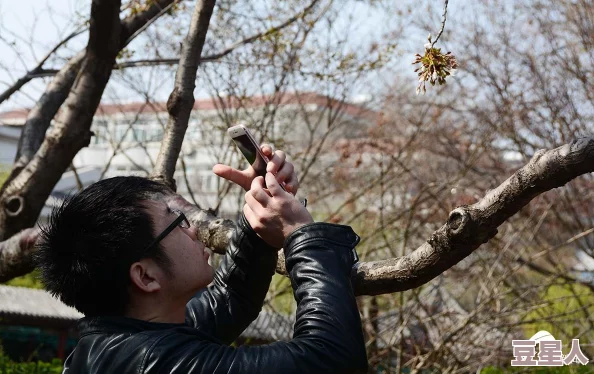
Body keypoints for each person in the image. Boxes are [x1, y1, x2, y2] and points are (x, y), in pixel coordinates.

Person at [35, 145, 367, 373]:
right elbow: (332, 360)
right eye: (177, 224)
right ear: (145, 277)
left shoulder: (121, 342)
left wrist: (259, 219)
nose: (194, 229)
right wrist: (301, 233)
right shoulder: (154, 361)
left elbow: (231, 299)